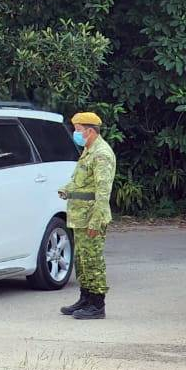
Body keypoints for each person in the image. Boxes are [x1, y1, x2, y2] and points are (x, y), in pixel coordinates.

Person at [58, 111, 117, 320]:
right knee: (81, 260)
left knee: (93, 260)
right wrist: (67, 189)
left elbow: (102, 192)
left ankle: (97, 304)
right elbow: (83, 181)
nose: (76, 133)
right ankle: (85, 298)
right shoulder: (88, 150)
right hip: (79, 215)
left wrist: (96, 220)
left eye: (79, 130)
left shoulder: (101, 153)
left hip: (91, 216)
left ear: (90, 131)